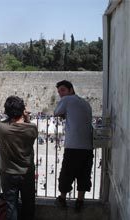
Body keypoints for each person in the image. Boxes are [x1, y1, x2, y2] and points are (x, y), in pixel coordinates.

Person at [54, 80, 93, 212]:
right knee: (84, 174)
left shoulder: (67, 100)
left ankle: (62, 198)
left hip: (73, 146)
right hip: (87, 145)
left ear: (71, 90)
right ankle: (80, 201)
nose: (60, 94)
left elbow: (56, 112)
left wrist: (64, 114)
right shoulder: (86, 103)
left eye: (63, 90)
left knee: (67, 173)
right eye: (59, 91)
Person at [0, 96, 38, 220]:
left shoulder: (1, 128)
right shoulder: (31, 128)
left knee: (11, 205)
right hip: (27, 172)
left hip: (8, 173)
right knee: (28, 204)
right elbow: (30, 130)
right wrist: (27, 119)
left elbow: (6, 121)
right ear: (23, 110)